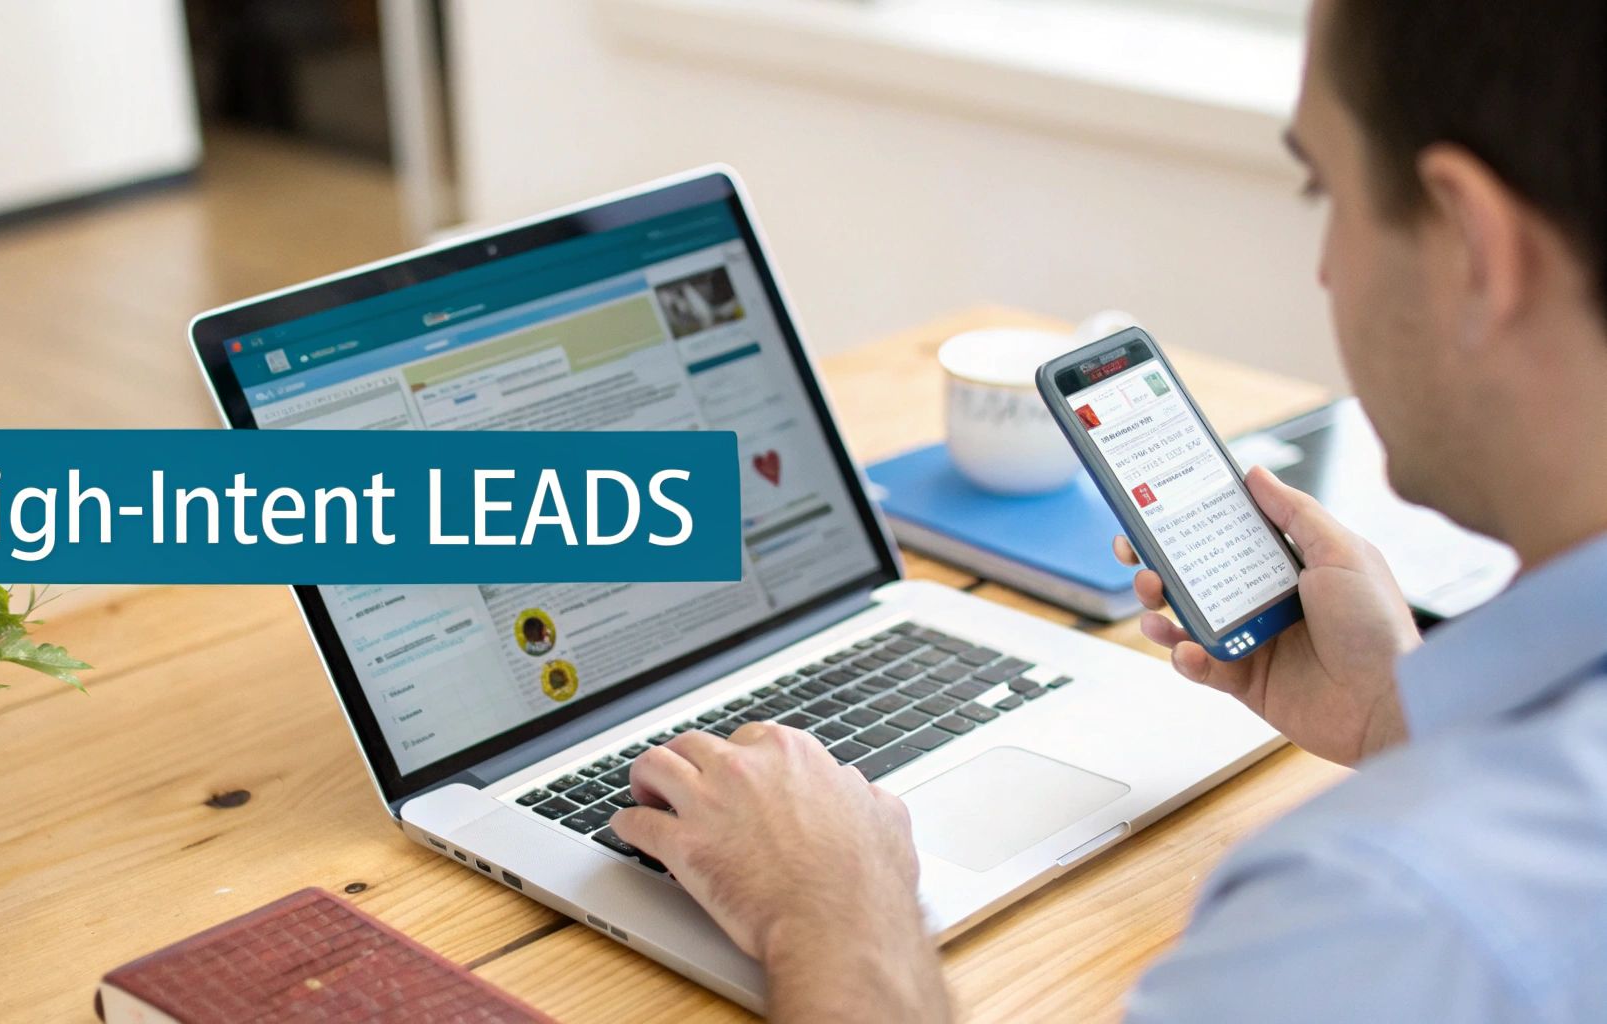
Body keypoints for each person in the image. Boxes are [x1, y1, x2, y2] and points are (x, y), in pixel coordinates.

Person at [611, 0, 1607, 1019]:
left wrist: (832, 906)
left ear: (1469, 247)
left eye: (1326, 189)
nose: (1321, 267)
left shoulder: (1387, 912)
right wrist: (1393, 718)